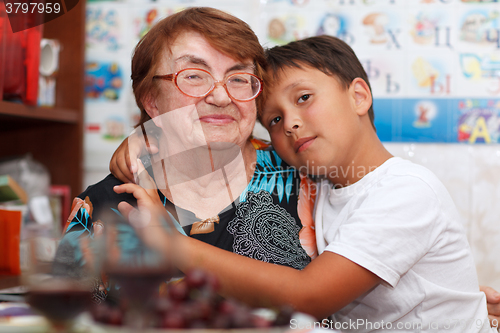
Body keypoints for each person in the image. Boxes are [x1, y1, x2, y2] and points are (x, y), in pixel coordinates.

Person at [114, 35, 498, 332]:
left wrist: (173, 246)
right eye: (275, 119)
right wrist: (148, 138)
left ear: (359, 96)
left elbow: (308, 296)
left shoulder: (406, 190)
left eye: (304, 98)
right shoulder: (315, 180)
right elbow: (226, 140)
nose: (291, 123)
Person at [53, 7, 317, 304]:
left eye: (239, 78)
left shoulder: (308, 176)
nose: (220, 97)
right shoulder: (100, 209)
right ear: (151, 100)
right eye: (194, 76)